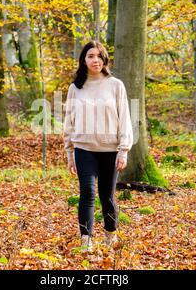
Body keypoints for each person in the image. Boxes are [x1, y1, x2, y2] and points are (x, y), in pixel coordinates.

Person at [63, 40, 133, 251]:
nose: (95, 60)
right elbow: (69, 121)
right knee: (87, 192)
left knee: (107, 197)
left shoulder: (115, 85)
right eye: (90, 56)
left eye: (99, 56)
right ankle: (87, 241)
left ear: (104, 59)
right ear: (83, 61)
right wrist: (69, 152)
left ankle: (110, 235)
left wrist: (123, 150)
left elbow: (125, 119)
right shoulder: (75, 88)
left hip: (111, 151)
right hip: (84, 149)